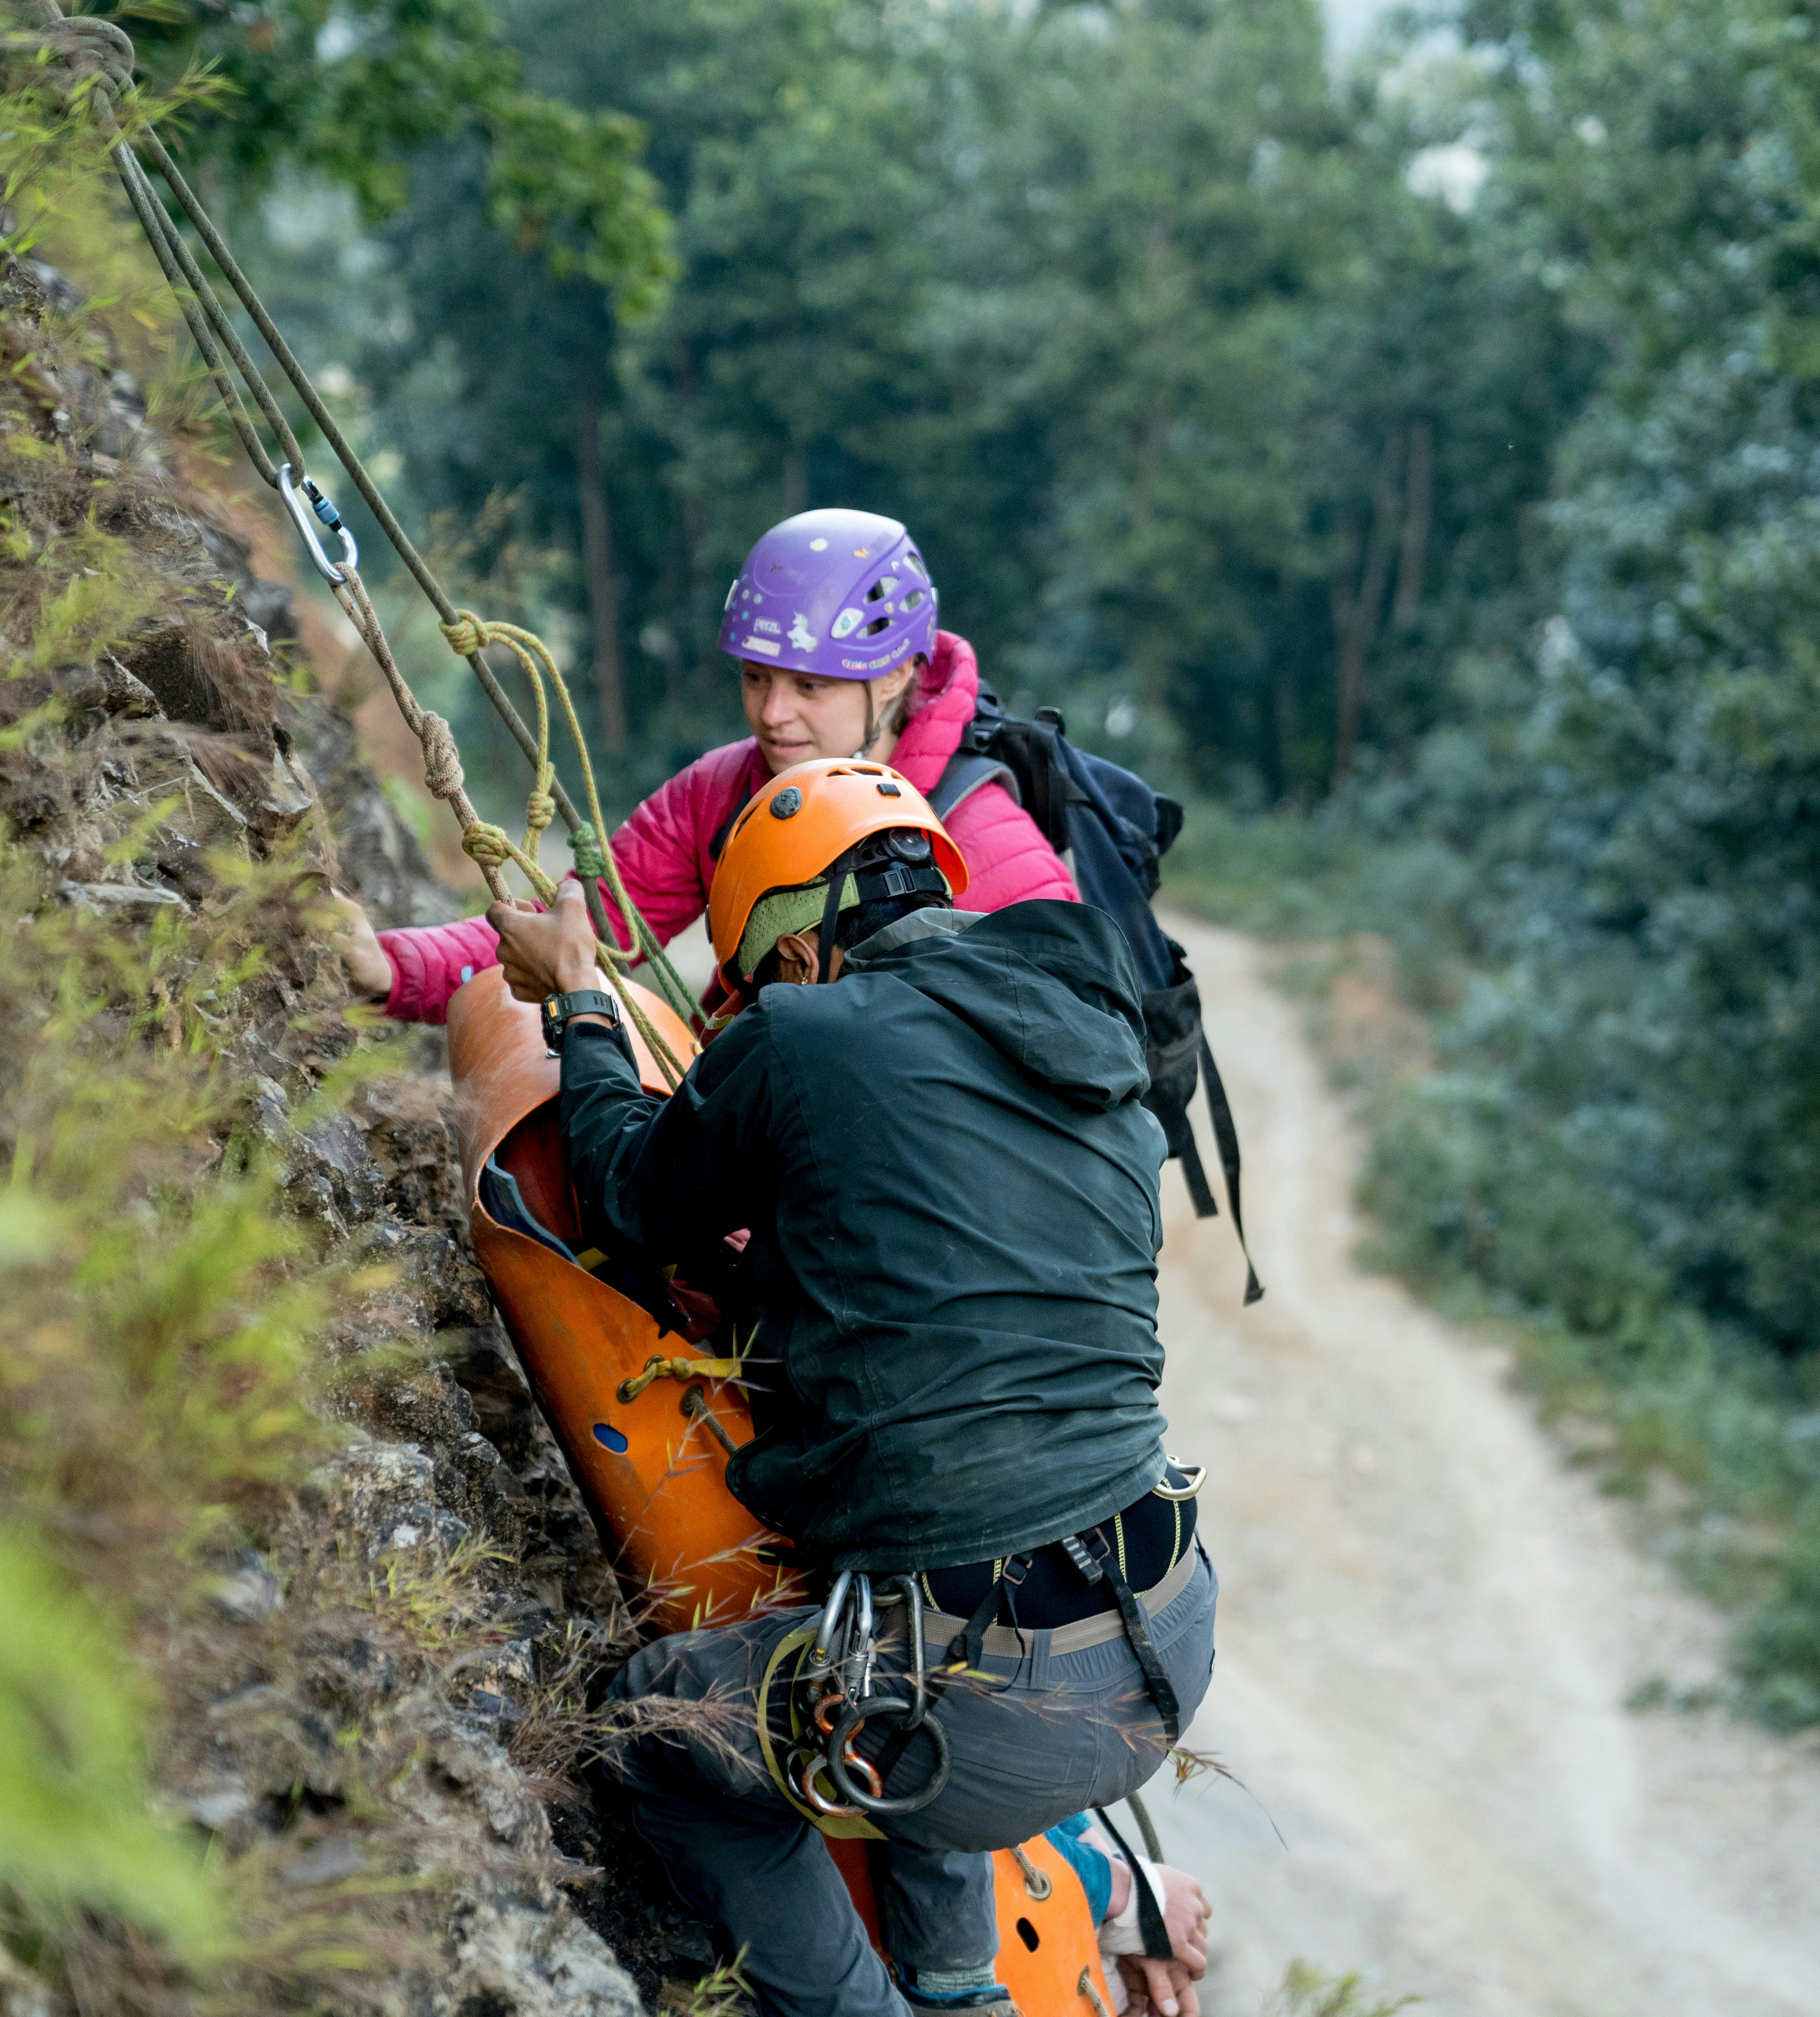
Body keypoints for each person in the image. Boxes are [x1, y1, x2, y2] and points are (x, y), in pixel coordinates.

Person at [488, 762, 1214, 2017]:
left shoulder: (801, 1033)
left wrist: (586, 1005)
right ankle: (958, 1990)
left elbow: (626, 1197)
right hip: (1171, 1635)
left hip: (978, 1703)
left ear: (794, 948)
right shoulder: (1092, 1048)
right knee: (929, 1579)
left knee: (658, 1727)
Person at [335, 508, 1074, 1017]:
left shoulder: (989, 849)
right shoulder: (726, 794)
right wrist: (391, 967)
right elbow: (583, 925)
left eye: (809, 687)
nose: (772, 714)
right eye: (755, 677)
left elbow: (1066, 1052)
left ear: (896, 676)